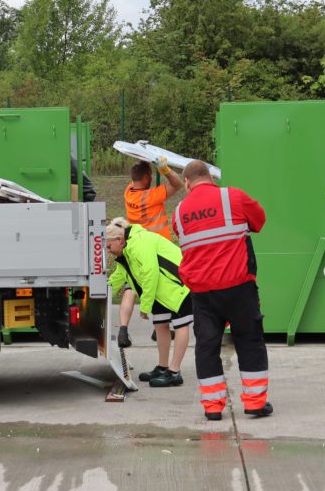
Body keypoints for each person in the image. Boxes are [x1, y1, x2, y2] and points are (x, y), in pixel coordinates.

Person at [172, 160, 271, 421]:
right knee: (249, 341)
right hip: (238, 286)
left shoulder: (179, 212)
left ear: (186, 183)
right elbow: (259, 221)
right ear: (211, 178)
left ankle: (213, 408)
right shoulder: (233, 197)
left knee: (207, 346)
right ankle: (254, 403)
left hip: (203, 293)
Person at [106, 217, 193, 387]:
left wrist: (145, 305)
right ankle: (163, 367)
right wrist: (101, 291)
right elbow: (119, 276)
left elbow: (150, 273)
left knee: (181, 325)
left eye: (109, 247)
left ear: (119, 240)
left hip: (179, 285)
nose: (108, 251)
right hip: (162, 291)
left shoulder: (140, 242)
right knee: (160, 325)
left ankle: (174, 372)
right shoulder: (126, 249)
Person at [117, 156, 183, 348]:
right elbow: (177, 184)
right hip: (155, 248)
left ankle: (123, 329)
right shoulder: (152, 196)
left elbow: (136, 178)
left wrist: (142, 158)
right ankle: (159, 328)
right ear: (147, 178)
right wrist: (163, 169)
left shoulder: (128, 193)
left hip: (135, 246)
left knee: (131, 287)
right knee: (159, 288)